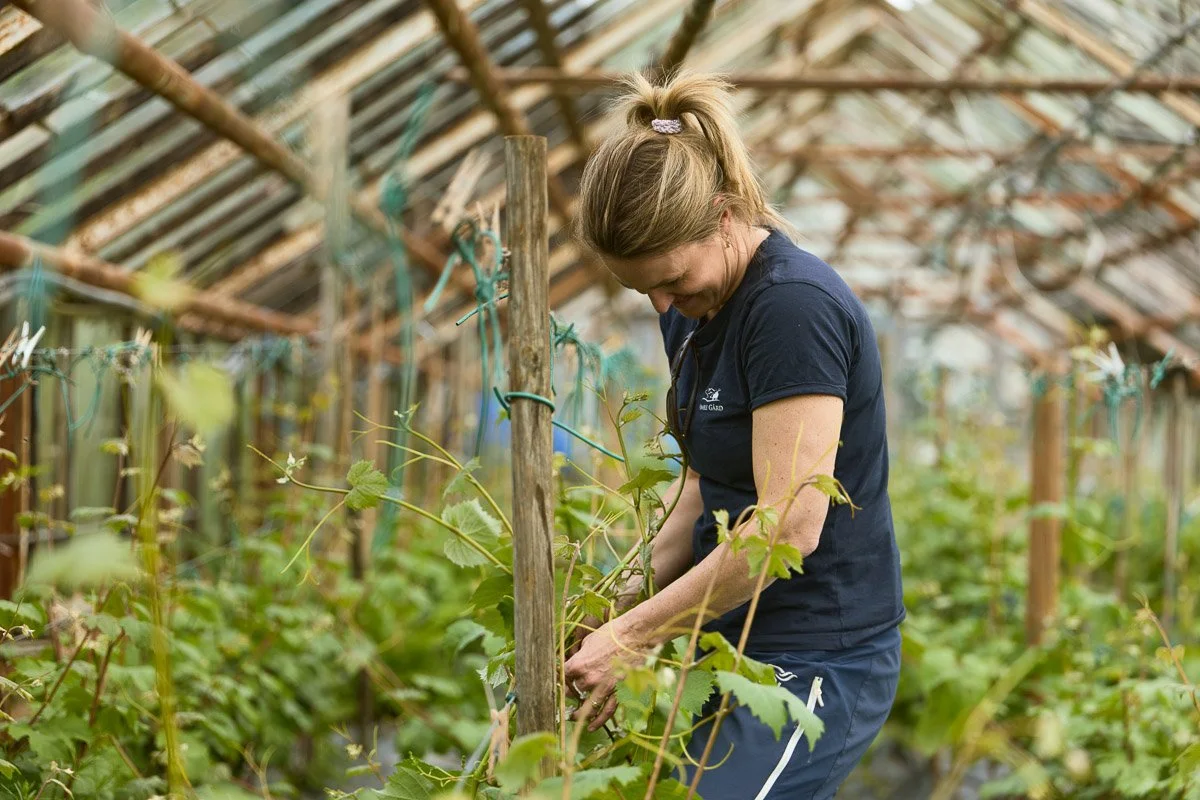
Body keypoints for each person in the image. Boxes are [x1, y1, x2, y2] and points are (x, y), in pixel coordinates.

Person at [562, 71, 905, 799]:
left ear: (723, 217)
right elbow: (702, 490)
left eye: (673, 281)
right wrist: (616, 606)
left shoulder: (790, 310)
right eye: (642, 291)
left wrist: (638, 636)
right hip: (724, 635)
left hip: (814, 657)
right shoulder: (690, 304)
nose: (662, 303)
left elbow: (784, 530)